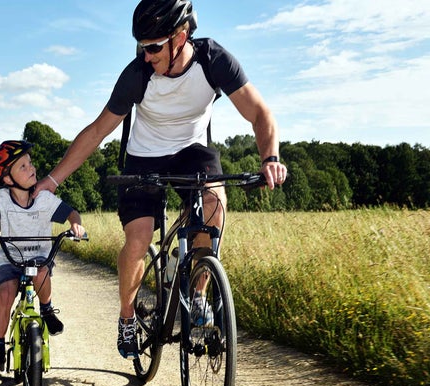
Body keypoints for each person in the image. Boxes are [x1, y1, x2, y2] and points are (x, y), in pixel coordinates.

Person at [33, 0, 287, 360]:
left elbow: (260, 113)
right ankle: (126, 317)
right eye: (141, 45)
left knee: (214, 206)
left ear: (180, 37)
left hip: (192, 151)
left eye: (153, 47)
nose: (145, 54)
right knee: (138, 238)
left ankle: (198, 293)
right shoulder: (137, 75)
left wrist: (270, 158)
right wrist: (52, 180)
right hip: (143, 155)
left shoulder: (213, 60)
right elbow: (95, 133)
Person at [0, 140, 85, 376]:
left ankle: (46, 309)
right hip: (11, 259)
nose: (31, 168)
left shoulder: (44, 199)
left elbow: (72, 213)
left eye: (30, 163)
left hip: (40, 257)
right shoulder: (1, 198)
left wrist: (76, 224)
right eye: (22, 166)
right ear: (7, 180)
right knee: (6, 293)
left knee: (42, 273)